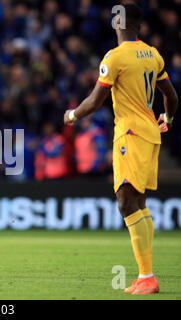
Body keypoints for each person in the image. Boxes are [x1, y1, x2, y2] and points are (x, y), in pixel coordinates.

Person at [64, 3, 178, 295]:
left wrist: (72, 115)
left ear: (117, 25)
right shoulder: (153, 54)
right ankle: (146, 274)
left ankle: (147, 276)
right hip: (152, 134)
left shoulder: (114, 58)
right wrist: (169, 117)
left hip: (129, 133)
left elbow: (94, 101)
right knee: (137, 203)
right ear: (138, 25)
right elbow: (172, 97)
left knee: (126, 202)